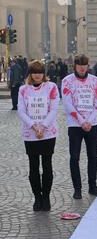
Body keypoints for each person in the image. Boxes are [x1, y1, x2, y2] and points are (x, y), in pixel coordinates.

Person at [17, 60, 59, 212]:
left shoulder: (51, 87)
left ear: (44, 74)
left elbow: (54, 109)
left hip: (48, 133)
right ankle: (37, 197)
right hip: (30, 134)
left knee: (47, 165)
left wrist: (43, 126)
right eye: (34, 72)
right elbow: (21, 111)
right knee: (33, 166)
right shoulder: (23, 90)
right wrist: (34, 126)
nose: (37, 75)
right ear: (30, 74)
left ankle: (46, 197)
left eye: (40, 72)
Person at [62, 54, 97, 199]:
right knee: (74, 157)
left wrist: (89, 121)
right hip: (74, 125)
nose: (82, 67)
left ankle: (93, 186)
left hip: (92, 124)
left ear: (88, 66)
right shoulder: (67, 81)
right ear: (75, 66)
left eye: (84, 65)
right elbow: (67, 104)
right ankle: (77, 188)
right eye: (79, 65)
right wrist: (81, 121)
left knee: (93, 156)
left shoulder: (95, 81)